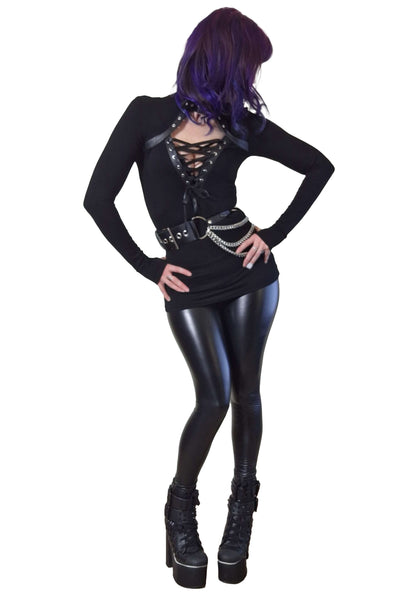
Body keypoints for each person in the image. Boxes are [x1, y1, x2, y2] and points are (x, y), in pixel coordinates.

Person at [83, 7, 335, 588]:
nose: (252, 77)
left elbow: (319, 167)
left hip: (250, 275)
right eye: (248, 65)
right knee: (214, 397)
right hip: (188, 282)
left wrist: (273, 234)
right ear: (223, 60)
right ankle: (179, 515)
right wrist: (148, 266)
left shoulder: (243, 125)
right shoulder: (145, 114)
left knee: (247, 392)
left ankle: (239, 519)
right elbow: (97, 199)